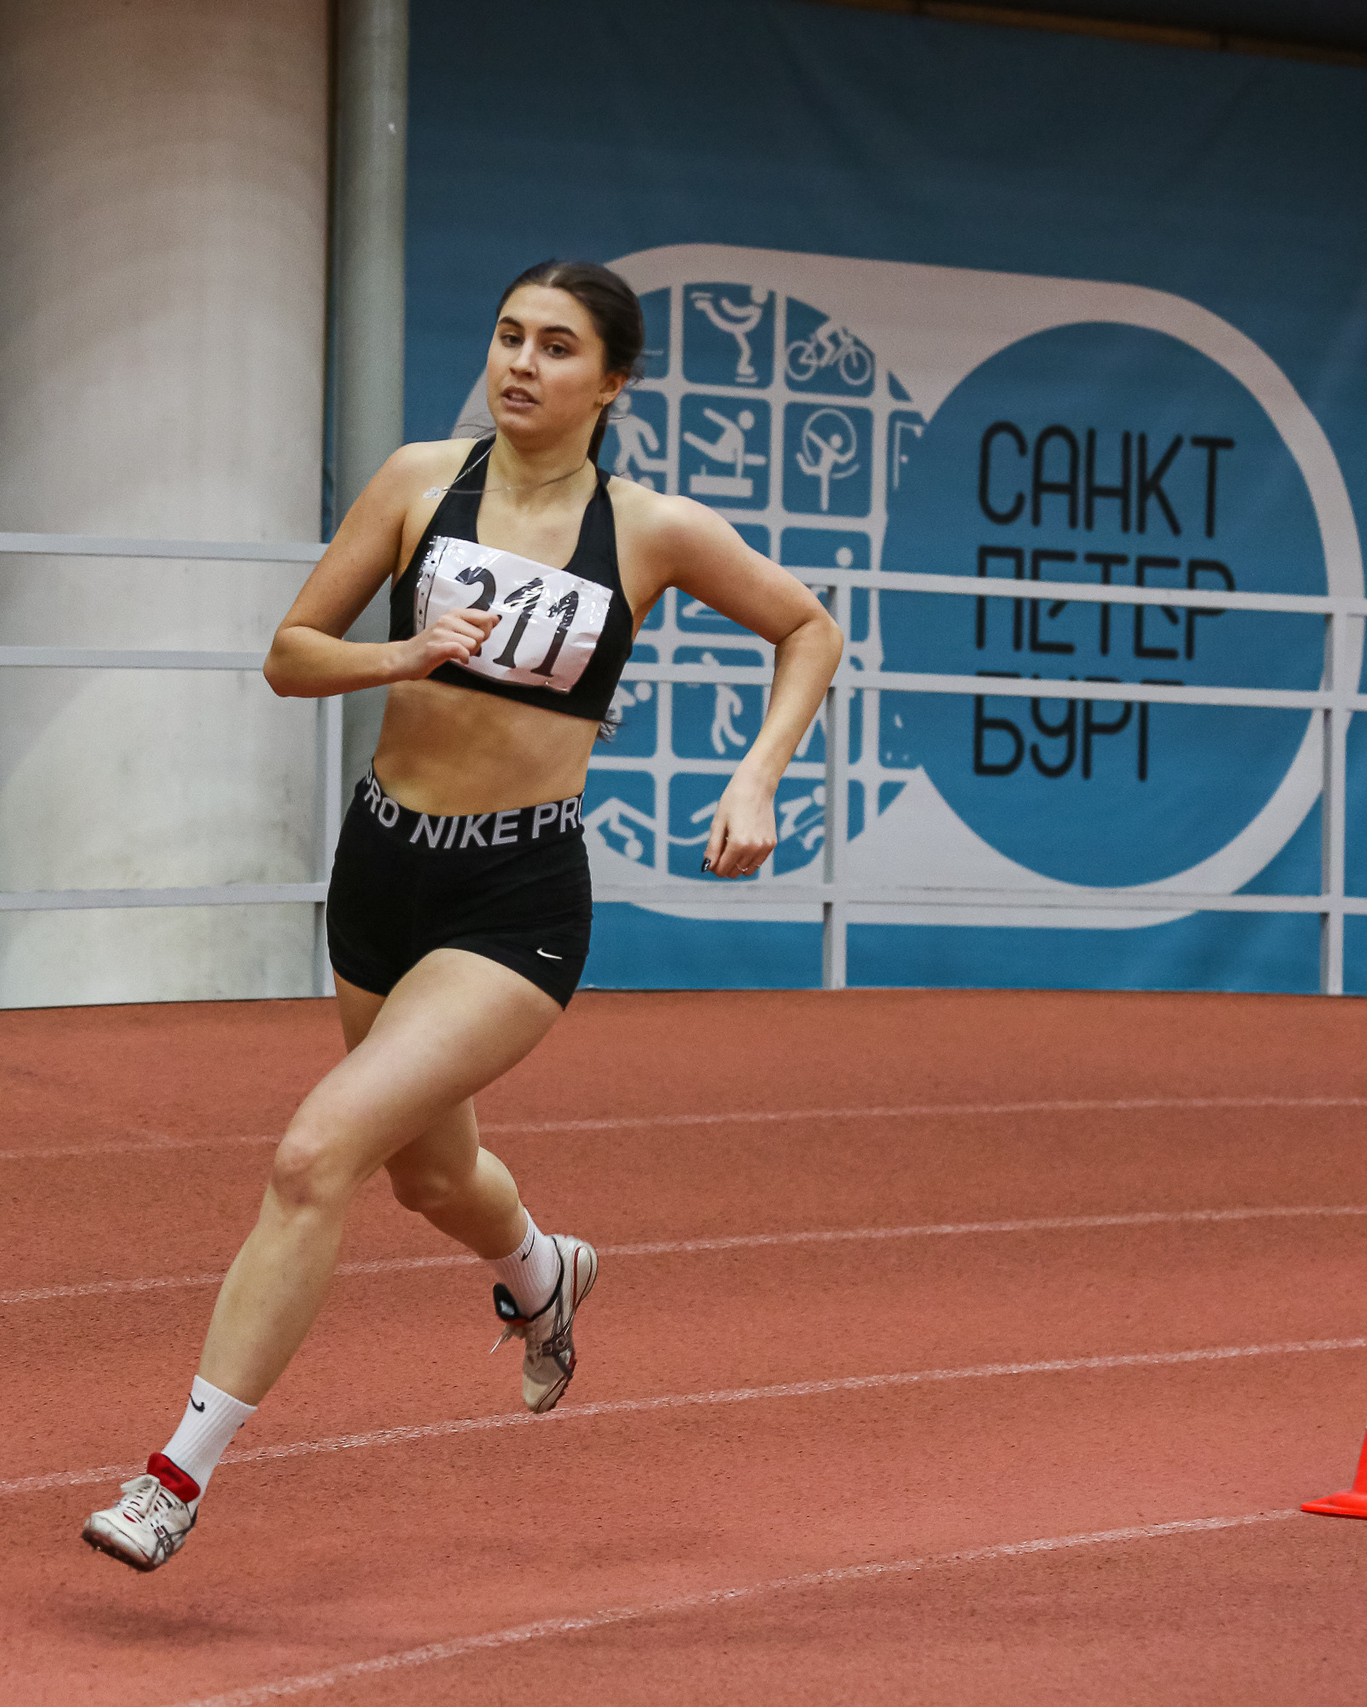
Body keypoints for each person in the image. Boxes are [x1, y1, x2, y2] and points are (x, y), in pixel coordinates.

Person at [81, 260, 844, 1572]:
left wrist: (758, 773)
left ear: (613, 382)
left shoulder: (649, 529)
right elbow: (288, 654)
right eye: (506, 336)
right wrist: (401, 655)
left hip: (515, 898)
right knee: (430, 1179)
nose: (521, 364)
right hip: (382, 867)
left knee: (318, 1156)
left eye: (556, 348)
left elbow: (809, 628)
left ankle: (173, 1480)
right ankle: (546, 1274)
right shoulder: (418, 483)